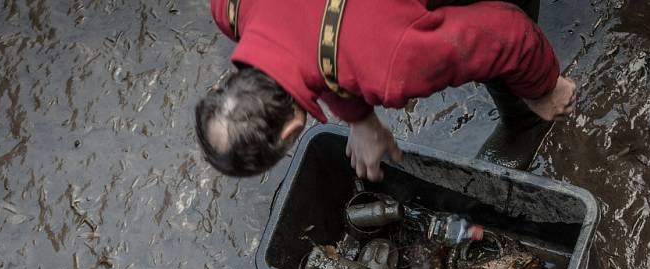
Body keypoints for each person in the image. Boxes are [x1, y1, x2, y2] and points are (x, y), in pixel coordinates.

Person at [195, 0, 576, 180]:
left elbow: (504, 36)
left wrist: (544, 89)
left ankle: (526, 122)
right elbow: (311, 46)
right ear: (221, 84)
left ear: (291, 132)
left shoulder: (392, 64)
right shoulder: (227, 8)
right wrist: (361, 120)